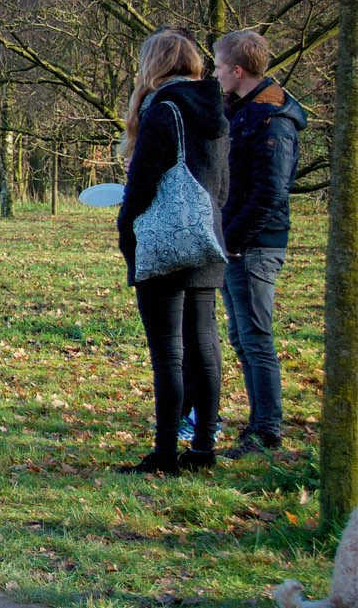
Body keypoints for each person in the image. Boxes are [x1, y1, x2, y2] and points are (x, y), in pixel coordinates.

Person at [115, 27, 228, 475]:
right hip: (205, 235)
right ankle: (203, 448)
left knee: (168, 352)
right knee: (204, 345)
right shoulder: (214, 110)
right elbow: (222, 182)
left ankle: (165, 453)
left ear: (153, 64)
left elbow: (142, 185)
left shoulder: (162, 110)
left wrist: (127, 229)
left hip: (165, 238)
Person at [213, 29, 307, 459]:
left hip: (254, 246)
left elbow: (270, 192)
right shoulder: (241, 111)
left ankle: (266, 431)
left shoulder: (273, 120)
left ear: (238, 70)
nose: (215, 74)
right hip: (236, 242)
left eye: (218, 66)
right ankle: (259, 425)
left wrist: (233, 240)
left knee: (255, 339)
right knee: (242, 337)